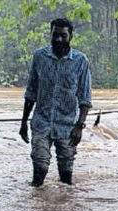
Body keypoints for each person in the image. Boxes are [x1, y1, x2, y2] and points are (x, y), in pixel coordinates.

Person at [19, 18, 92, 187]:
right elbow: (31, 92)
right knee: (40, 168)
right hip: (42, 122)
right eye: (55, 35)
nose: (59, 39)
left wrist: (79, 126)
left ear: (70, 36)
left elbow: (85, 98)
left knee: (66, 176)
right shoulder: (40, 57)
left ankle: (64, 209)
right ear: (50, 35)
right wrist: (23, 122)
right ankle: (36, 209)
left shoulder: (80, 61)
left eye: (63, 36)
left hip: (67, 125)